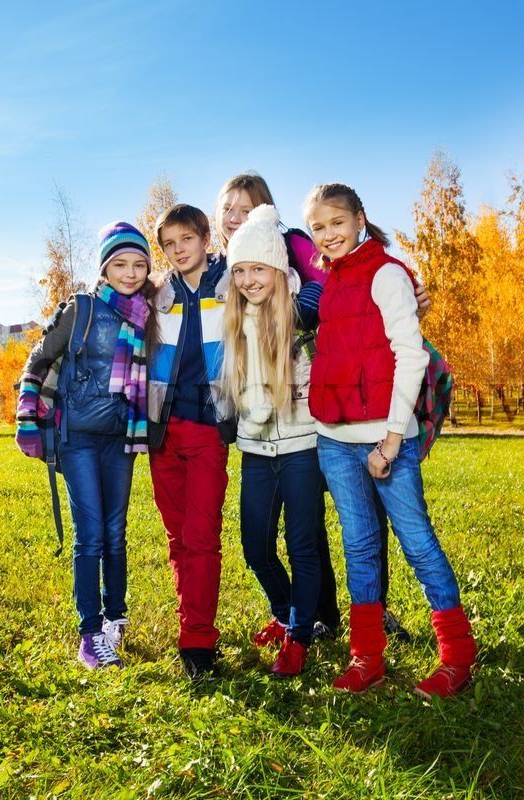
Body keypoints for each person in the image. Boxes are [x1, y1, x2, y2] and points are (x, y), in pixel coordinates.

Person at [213, 172, 429, 643]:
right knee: (299, 535)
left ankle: (370, 612)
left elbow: (335, 293)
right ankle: (313, 614)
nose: (235, 217)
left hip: (325, 417)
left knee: (350, 525)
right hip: (267, 433)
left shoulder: (294, 248)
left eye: (245, 210)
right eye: (227, 208)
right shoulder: (222, 272)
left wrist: (299, 311)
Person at [304, 182, 476, 697]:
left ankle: (457, 657)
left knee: (417, 542)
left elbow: (412, 356)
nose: (328, 234)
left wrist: (392, 439)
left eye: (336, 222)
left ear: (359, 217)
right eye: (318, 227)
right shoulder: (330, 280)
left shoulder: (386, 273)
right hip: (333, 438)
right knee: (358, 546)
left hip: (383, 437)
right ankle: (367, 656)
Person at [15, 221, 156, 670]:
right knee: (91, 535)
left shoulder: (146, 314)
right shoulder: (81, 309)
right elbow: (37, 360)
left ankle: (116, 618)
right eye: (121, 264)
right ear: (104, 268)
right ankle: (89, 634)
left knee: (117, 534)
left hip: (120, 439)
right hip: (78, 440)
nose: (130, 273)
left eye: (139, 264)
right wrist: (27, 420)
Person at [222, 204, 324, 676]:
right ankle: (284, 612)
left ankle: (301, 634)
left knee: (302, 545)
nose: (248, 279)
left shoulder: (304, 316)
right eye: (239, 270)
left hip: (302, 447)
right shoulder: (234, 321)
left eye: (258, 268)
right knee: (255, 547)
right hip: (256, 451)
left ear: (279, 269)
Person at [147, 204, 236, 680]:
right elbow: (112, 296)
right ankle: (191, 624)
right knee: (179, 538)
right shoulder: (158, 295)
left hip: (207, 427)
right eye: (169, 244)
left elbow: (290, 284)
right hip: (163, 431)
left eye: (187, 239)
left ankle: (198, 641)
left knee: (202, 537)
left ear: (205, 237)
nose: (179, 250)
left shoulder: (230, 285)